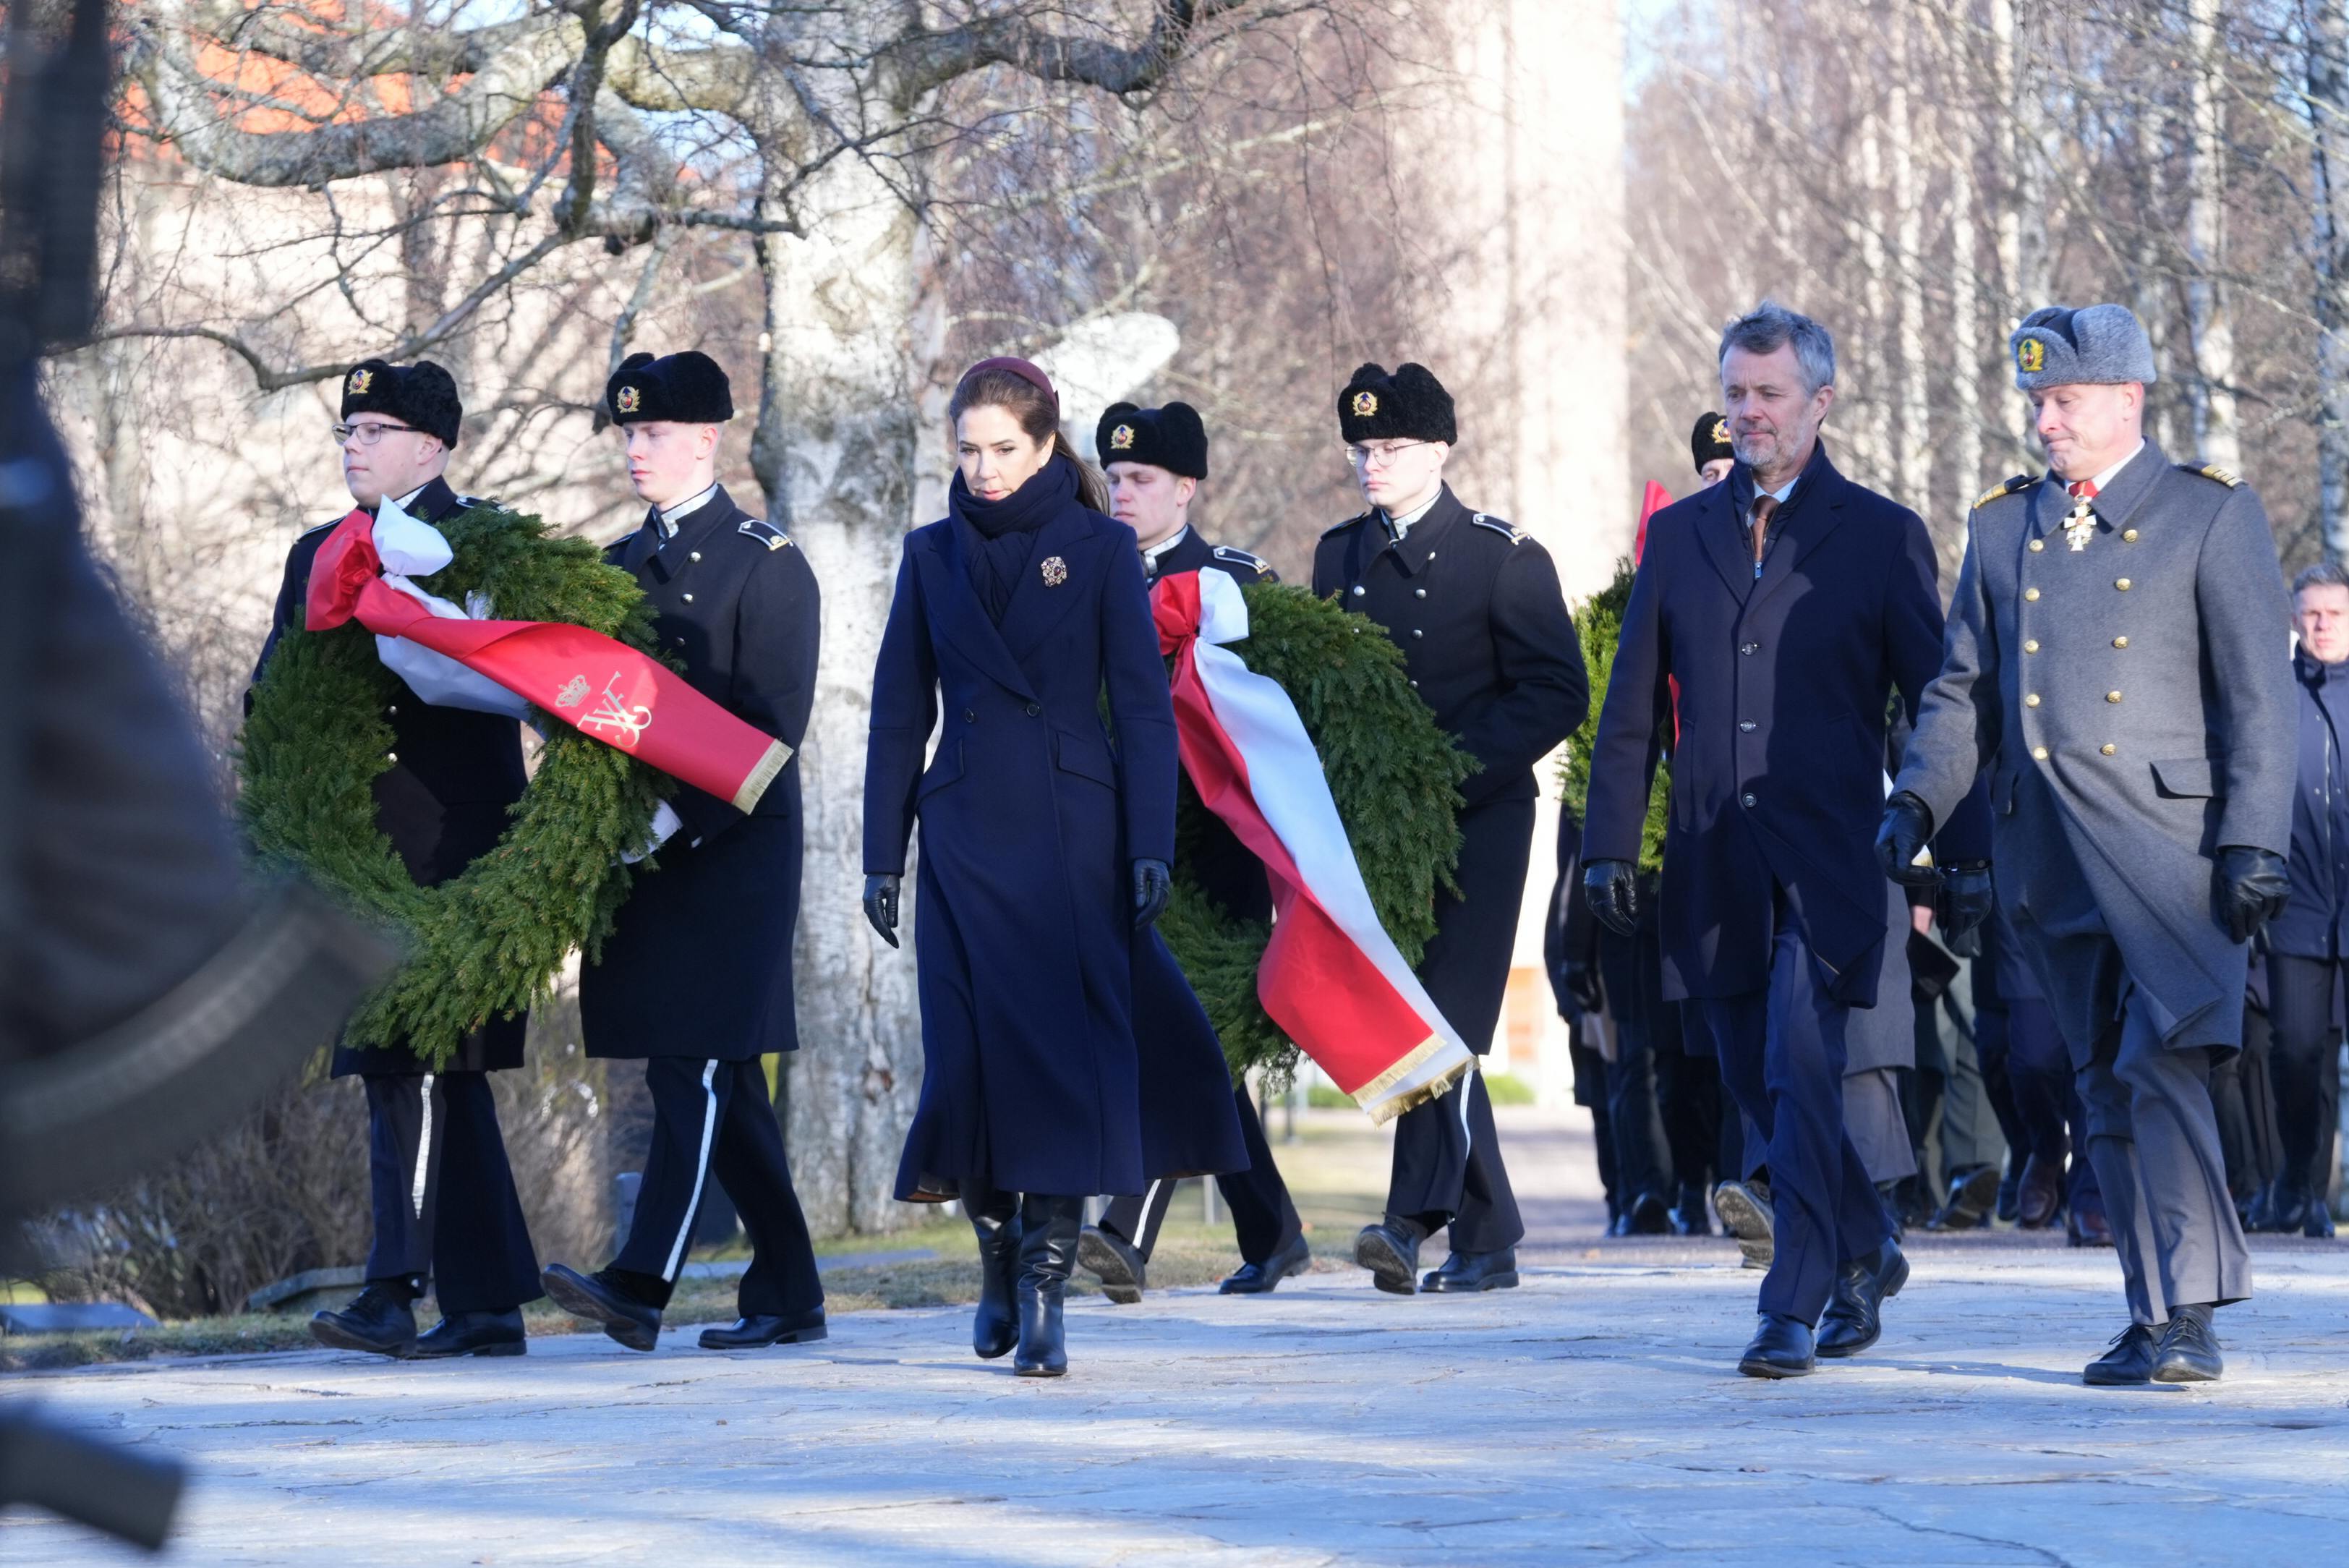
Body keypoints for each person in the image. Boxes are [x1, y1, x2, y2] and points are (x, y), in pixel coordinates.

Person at [1883, 302, 2295, 1385]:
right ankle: (2153, 1312)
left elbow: (2262, 701)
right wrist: (1917, 800)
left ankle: (2195, 1311)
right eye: (2036, 401)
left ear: (2128, 399)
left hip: (2177, 856)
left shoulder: (2209, 514)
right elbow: (1962, 691)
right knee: (2098, 1091)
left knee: (2158, 1070)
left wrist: (2257, 840)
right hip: (2051, 858)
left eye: (2063, 401)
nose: (2045, 421)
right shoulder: (2004, 527)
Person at [1584, 302, 1988, 1379]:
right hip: (1716, 863)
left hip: (1833, 861)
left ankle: (1789, 1303)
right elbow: (1632, 708)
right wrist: (1608, 846)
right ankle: (1865, 1245)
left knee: (1803, 1062)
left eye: (1768, 395)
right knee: (1757, 1086)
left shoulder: (1880, 533)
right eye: (1734, 394)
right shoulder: (1678, 538)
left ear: (1821, 401)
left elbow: (1938, 704)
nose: (1748, 414)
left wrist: (1964, 848)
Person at [861, 359, 1245, 1376]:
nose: (982, 470)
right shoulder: (930, 554)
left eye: (1002, 450)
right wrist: (879, 854)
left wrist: (1151, 843)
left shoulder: (1102, 548)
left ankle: (1044, 1289)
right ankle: (995, 1254)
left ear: (1044, 447)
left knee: (1063, 1071)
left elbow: (1144, 706)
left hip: (1074, 836)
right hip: (960, 834)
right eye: (967, 451)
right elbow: (902, 711)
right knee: (970, 1062)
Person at [540, 350, 827, 1355]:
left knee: (694, 1067)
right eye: (627, 434)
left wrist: (669, 822)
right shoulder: (617, 567)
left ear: (708, 438)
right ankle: (790, 1289)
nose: (636, 449)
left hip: (733, 849)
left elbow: (771, 721)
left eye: (654, 432)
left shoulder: (767, 560)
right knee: (719, 1078)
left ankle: (642, 1281)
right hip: (645, 860)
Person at [263, 359, 544, 1360]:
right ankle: (488, 1303)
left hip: (456, 843)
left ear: (430, 444)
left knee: (415, 1068)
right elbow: (275, 701)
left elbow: (531, 681)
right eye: (348, 430)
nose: (354, 445)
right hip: (357, 850)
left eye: (375, 430)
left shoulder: (486, 546)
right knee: (427, 1075)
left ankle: (396, 1286)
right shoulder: (315, 554)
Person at [1314, 362, 1587, 1295]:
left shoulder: (1501, 556)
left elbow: (1557, 688)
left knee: (1444, 1017)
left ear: (1438, 448)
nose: (1370, 464)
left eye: (1388, 447)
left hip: (1480, 820)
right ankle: (1488, 1232)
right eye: (1360, 449)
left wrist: (1449, 769)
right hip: (1380, 830)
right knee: (1419, 1022)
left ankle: (1405, 1219)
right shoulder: (1338, 556)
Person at [1076, 399, 1315, 1302]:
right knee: (1197, 1054)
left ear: (1185, 486)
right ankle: (1276, 1228)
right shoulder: (1088, 574)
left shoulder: (1234, 582)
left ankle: (1123, 1233)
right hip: (1114, 843)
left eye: (1141, 480)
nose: (1123, 493)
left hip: (1213, 852)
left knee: (1185, 1035)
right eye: (1115, 478)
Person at [2258, 561, 2349, 1237]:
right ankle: (2298, 1178)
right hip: (2299, 906)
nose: (2321, 626)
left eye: (2334, 614)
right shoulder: (2273, 694)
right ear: (2294, 620)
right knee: (2295, 1050)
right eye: (2311, 614)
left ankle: (2313, 1192)